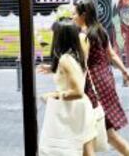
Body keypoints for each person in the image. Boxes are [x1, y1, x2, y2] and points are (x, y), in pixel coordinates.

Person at [73, 0, 129, 156]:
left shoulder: (85, 35)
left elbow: (84, 65)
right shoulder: (100, 30)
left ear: (84, 14)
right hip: (106, 80)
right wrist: (125, 71)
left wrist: (75, 87)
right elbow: (112, 55)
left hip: (94, 84)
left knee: (96, 131)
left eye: (75, 13)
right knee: (105, 133)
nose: (72, 17)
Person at [38, 19, 96, 156]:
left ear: (60, 37)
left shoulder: (65, 59)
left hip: (73, 110)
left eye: (55, 34)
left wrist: (53, 95)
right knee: (86, 152)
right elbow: (72, 75)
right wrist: (54, 69)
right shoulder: (77, 54)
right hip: (80, 108)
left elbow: (78, 91)